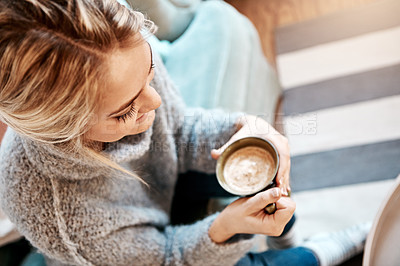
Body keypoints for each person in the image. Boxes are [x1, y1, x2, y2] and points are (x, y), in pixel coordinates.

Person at [0, 1, 369, 265]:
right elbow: (167, 257)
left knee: (263, 169)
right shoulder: (64, 219)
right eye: (126, 110)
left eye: (149, 73)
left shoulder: (118, 50)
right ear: (64, 132)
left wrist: (240, 129)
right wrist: (223, 228)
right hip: (134, 254)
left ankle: (287, 237)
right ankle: (321, 250)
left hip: (161, 188)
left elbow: (177, 129)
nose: (156, 100)